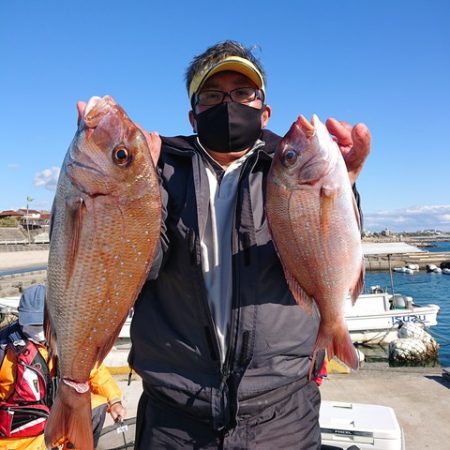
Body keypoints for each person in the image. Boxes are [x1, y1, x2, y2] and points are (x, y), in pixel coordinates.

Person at [130, 40, 371, 449]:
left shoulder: (289, 164)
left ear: (265, 110)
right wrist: (137, 184)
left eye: (243, 93)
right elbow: (138, 266)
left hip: (282, 415)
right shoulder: (161, 168)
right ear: (193, 114)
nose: (229, 103)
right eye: (212, 95)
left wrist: (346, 187)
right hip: (174, 418)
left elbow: (333, 244)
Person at [0, 284, 126, 449]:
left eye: (41, 324)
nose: (36, 330)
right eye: (30, 323)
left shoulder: (68, 340)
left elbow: (94, 371)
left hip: (55, 419)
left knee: (97, 405)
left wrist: (114, 400)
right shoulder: (4, 349)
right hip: (16, 438)